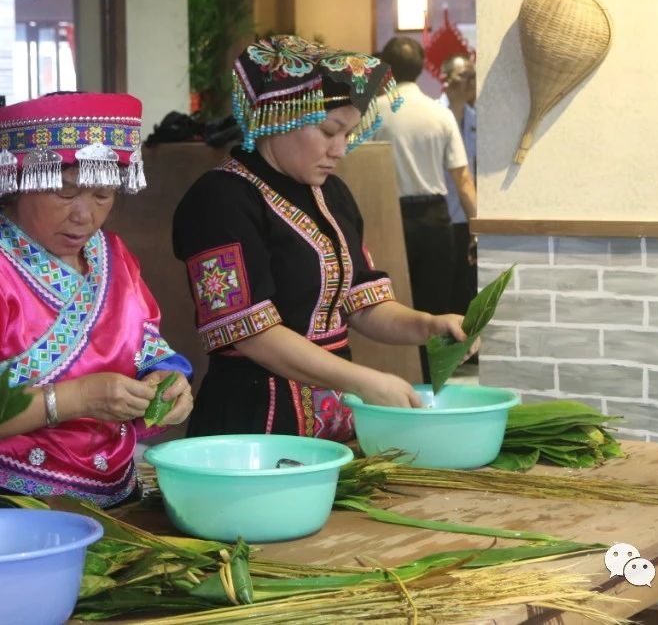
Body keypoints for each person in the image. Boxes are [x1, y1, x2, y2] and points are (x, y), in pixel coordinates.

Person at [170, 35, 470, 439]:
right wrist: (363, 380)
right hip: (254, 424)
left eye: (346, 133)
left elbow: (363, 302)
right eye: (329, 131)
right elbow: (252, 334)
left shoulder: (332, 195)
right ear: (280, 117)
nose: (340, 149)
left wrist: (429, 325)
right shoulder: (220, 200)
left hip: (334, 421)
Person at [0, 92, 194, 509]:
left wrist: (167, 382)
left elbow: (146, 344)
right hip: (8, 499)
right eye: (66, 193)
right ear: (20, 183)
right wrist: (80, 399)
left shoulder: (111, 252)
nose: (86, 215)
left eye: (102, 195)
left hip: (118, 493)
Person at [375, 36, 477, 327]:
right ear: (421, 67)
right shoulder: (440, 114)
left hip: (389, 217)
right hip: (435, 218)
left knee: (393, 303)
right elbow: (464, 180)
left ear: (386, 68)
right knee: (434, 306)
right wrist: (476, 229)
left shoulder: (373, 114)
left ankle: (400, 368)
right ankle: (432, 370)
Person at [438, 55, 479, 316]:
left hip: (467, 213)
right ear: (447, 80)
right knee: (443, 287)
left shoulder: (477, 118)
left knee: (466, 286)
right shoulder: (434, 115)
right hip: (439, 213)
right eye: (466, 76)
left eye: (474, 76)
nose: (472, 83)